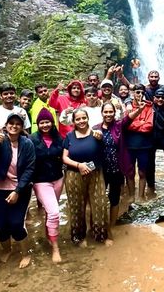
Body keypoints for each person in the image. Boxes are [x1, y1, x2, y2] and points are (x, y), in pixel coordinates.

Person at [0, 113, 35, 268]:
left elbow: (29, 169)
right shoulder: (0, 139)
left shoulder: (27, 143)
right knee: (0, 225)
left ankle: (26, 253)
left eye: (17, 123)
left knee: (16, 223)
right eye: (11, 123)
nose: (14, 126)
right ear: (6, 124)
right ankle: (7, 249)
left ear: (22, 127)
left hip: (20, 188)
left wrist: (17, 191)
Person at [62, 108, 109, 246]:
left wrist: (100, 137)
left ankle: (100, 235)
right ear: (73, 121)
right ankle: (79, 237)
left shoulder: (97, 134)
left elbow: (103, 151)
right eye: (78, 119)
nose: (81, 121)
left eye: (84, 118)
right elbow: (64, 158)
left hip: (95, 173)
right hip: (74, 174)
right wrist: (79, 165)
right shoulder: (69, 136)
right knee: (76, 207)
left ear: (88, 119)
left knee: (99, 204)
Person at [30, 108, 64, 263]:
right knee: (55, 212)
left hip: (58, 179)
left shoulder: (59, 138)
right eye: (42, 122)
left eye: (48, 122)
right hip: (40, 181)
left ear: (52, 122)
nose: (45, 125)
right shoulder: (31, 139)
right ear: (38, 124)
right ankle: (55, 248)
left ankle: (48, 234)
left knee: (50, 211)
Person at [93, 102, 125, 238]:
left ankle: (112, 225)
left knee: (114, 198)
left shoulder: (119, 126)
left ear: (114, 113)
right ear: (102, 113)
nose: (108, 114)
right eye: (105, 112)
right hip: (101, 170)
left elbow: (129, 119)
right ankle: (99, 225)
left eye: (110, 112)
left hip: (117, 168)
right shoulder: (95, 128)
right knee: (98, 198)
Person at [124, 84, 154, 202]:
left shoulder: (148, 107)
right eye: (137, 92)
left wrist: (135, 124)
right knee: (130, 171)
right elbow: (126, 124)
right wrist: (141, 123)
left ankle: (141, 196)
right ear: (133, 93)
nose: (139, 95)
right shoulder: (128, 107)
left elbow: (149, 126)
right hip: (129, 144)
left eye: (141, 92)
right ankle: (131, 195)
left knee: (142, 171)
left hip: (144, 145)